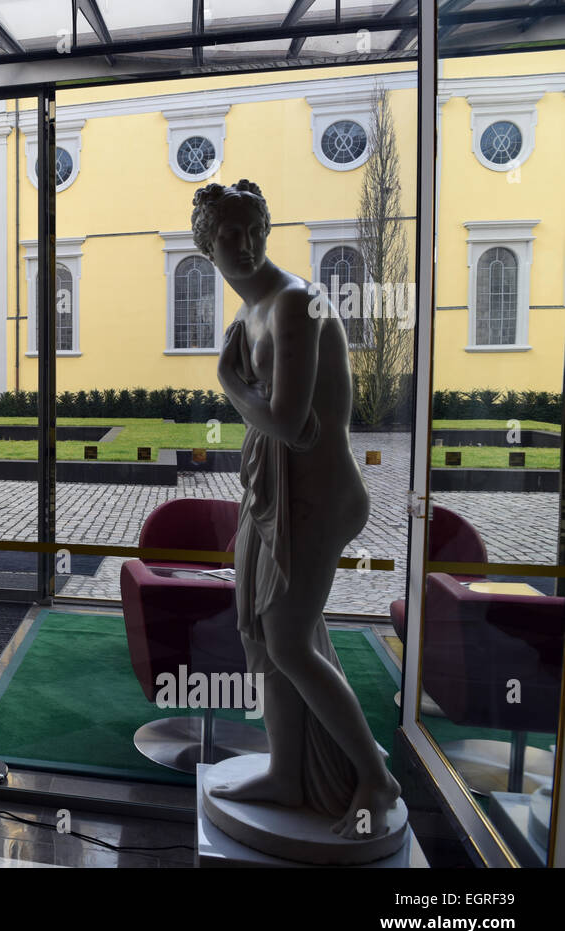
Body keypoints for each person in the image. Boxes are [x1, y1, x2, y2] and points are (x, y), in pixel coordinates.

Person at [191, 179, 400, 838]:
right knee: (260, 633)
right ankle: (287, 771)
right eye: (230, 233)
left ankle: (375, 776)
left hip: (319, 493)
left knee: (287, 637)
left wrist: (227, 383)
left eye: (254, 230)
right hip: (275, 494)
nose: (245, 244)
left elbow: (293, 425)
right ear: (206, 242)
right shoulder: (251, 315)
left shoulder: (294, 305)